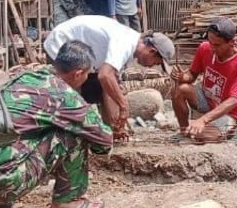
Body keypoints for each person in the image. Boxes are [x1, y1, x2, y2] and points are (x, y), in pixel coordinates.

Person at [0, 41, 112, 208]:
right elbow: (104, 139)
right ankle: (66, 205)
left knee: (18, 135)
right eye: (88, 73)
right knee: (74, 135)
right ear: (78, 73)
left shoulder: (25, 77)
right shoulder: (64, 96)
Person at [43, 15, 175, 140]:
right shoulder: (125, 43)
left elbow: (109, 86)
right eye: (156, 62)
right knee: (68, 91)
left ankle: (106, 131)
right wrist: (124, 106)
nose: (152, 66)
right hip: (61, 42)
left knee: (97, 89)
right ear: (152, 51)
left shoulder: (128, 50)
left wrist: (115, 126)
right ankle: (60, 134)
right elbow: (105, 76)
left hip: (83, 53)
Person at [170, 17, 237, 143]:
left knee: (204, 137)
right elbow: (192, 74)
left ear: (231, 42)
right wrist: (183, 77)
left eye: (217, 45)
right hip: (208, 100)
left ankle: (235, 128)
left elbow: (234, 100)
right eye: (210, 42)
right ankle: (184, 131)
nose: (212, 48)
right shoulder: (205, 48)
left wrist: (203, 120)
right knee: (181, 89)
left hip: (230, 112)